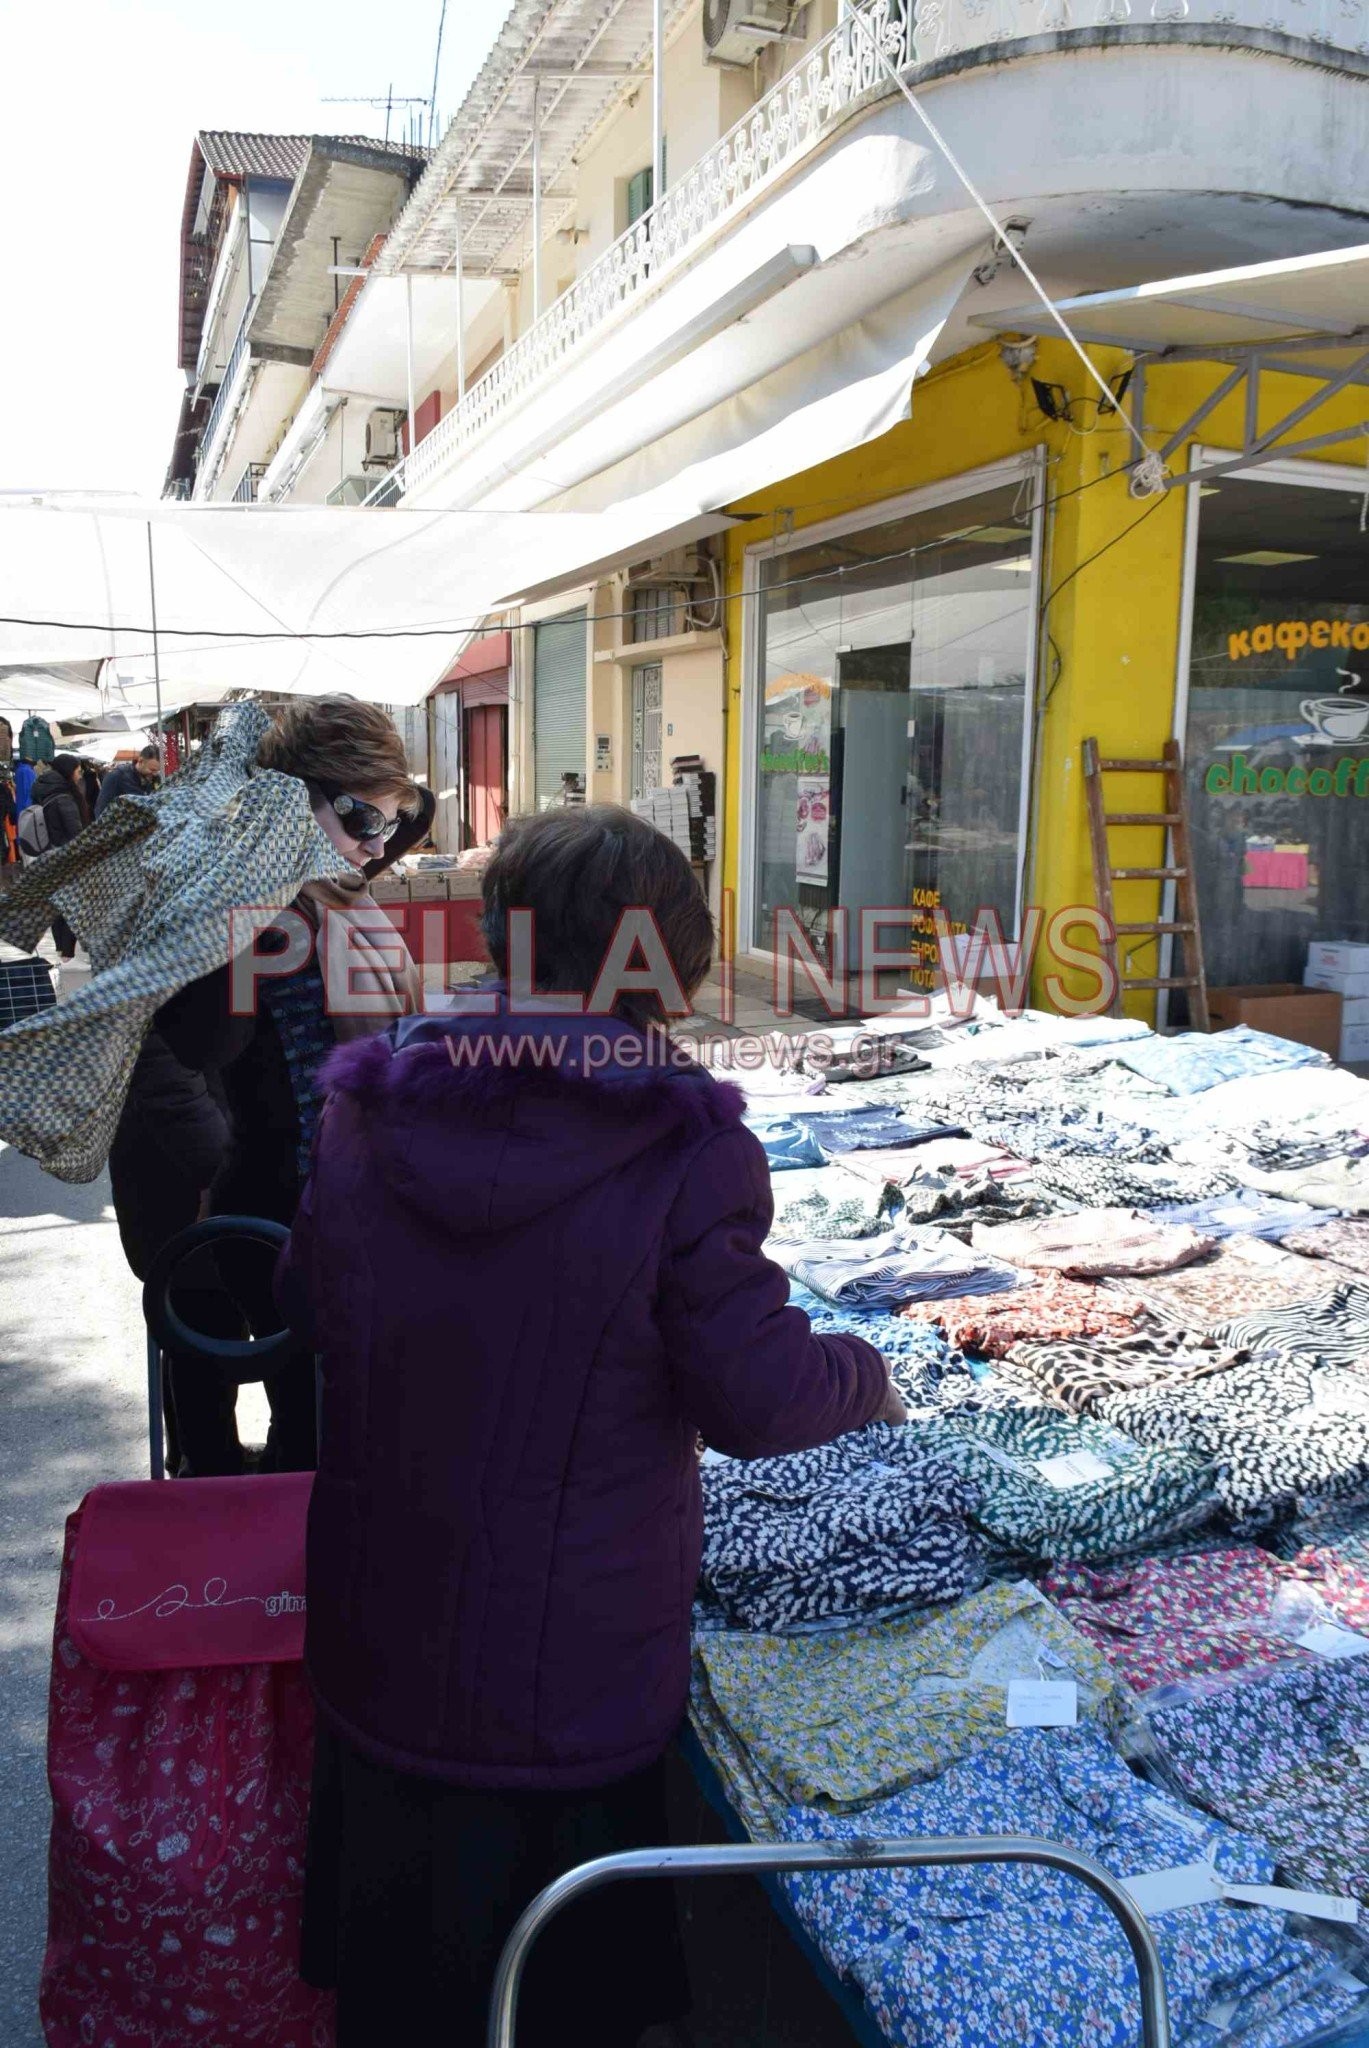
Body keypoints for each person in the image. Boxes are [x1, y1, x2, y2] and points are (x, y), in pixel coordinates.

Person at [275, 804, 903, 2048]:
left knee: (402, 1987)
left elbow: (306, 1300)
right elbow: (758, 1395)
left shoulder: (375, 1094)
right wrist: (864, 1372)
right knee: (558, 1990)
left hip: (383, 1610)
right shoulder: (679, 1138)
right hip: (571, 1654)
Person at [156, 696, 432, 1474]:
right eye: (359, 817)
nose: (375, 843)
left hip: (358, 1203)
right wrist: (246, 908)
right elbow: (202, 1039)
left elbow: (399, 825)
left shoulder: (345, 888)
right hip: (283, 1216)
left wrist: (370, 812)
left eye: (386, 820)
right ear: (288, 802)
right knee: (313, 1431)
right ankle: (287, 1580)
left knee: (348, 1419)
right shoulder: (246, 903)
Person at [27, 754, 86, 958]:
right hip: (66, 858)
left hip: (48, 856)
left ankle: (62, 949)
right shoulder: (64, 797)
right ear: (69, 771)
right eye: (78, 771)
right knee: (73, 904)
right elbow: (75, 833)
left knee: (57, 906)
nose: (79, 776)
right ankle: (68, 952)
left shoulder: (42, 790)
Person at [94, 743, 160, 818]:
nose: (155, 774)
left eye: (157, 771)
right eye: (152, 770)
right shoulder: (116, 777)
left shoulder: (156, 779)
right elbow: (101, 809)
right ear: (141, 761)